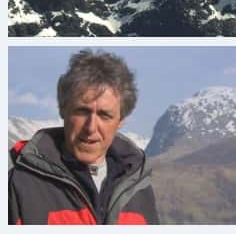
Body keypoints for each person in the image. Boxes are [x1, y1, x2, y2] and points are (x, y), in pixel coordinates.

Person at [9, 50, 159, 225]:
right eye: (82, 111)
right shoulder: (18, 185)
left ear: (120, 121)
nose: (91, 127)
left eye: (104, 115)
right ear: (62, 109)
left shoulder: (139, 189)